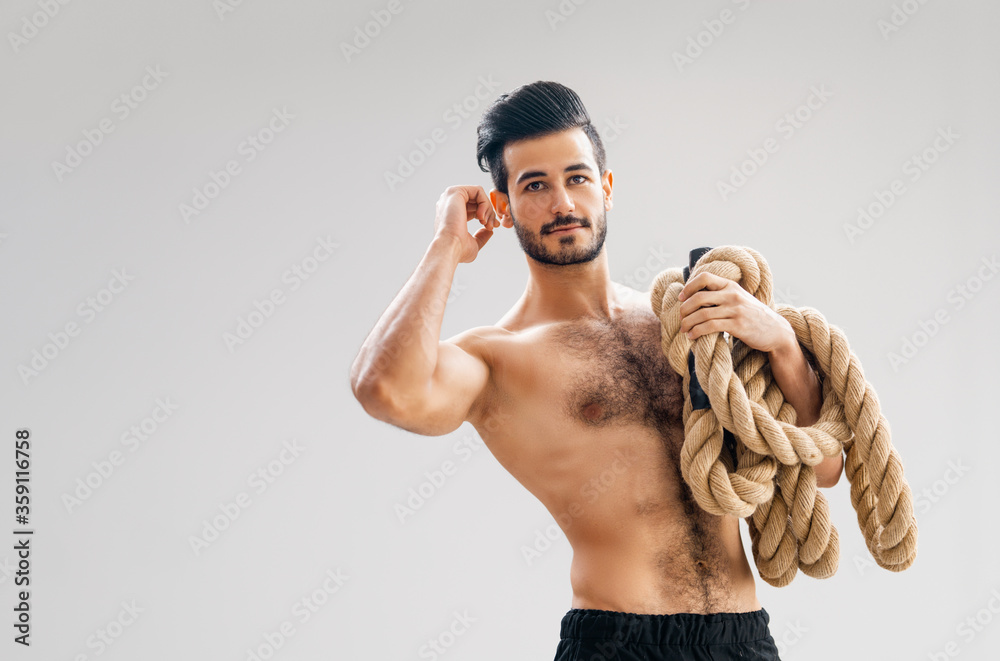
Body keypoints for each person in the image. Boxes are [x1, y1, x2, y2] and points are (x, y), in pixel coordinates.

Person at [350, 81, 844, 660]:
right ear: (503, 208)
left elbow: (826, 466)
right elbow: (385, 388)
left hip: (743, 640)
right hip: (616, 643)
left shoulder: (687, 323)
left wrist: (782, 344)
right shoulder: (498, 356)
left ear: (606, 188)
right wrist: (445, 244)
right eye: (535, 185)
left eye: (577, 178)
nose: (562, 203)